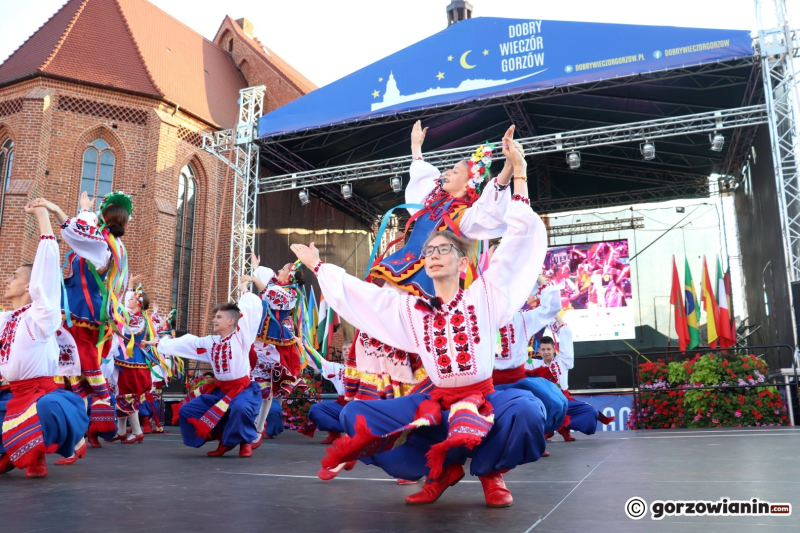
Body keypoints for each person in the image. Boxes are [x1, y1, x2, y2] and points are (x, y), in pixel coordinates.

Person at [290, 130, 549, 507]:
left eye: (444, 249)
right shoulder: (414, 309)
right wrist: (319, 267)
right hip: (429, 381)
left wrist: (516, 172)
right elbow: (367, 302)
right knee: (360, 412)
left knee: (526, 409)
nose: (433, 254)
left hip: (480, 399)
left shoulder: (483, 295)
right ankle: (439, 469)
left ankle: (491, 473)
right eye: (429, 250)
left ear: (462, 262)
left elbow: (517, 241)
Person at [31, 192, 131, 445]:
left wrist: (57, 207)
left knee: (80, 364)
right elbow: (81, 236)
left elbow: (79, 234)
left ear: (102, 217)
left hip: (83, 312)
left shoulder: (103, 245)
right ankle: (85, 429)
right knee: (72, 366)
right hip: (78, 310)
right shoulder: (107, 245)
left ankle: (89, 423)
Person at [0, 203, 90, 477]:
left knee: (48, 408)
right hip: (12, 395)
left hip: (42, 395)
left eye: (13, 276)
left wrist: (43, 216)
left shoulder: (40, 316)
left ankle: (47, 443)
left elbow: (48, 274)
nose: (7, 280)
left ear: (29, 285)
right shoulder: (5, 319)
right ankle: (31, 455)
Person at [146, 285, 262, 457]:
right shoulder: (210, 342)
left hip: (242, 390)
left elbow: (251, 311)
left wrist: (245, 292)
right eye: (215, 317)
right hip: (220, 391)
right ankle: (224, 437)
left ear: (231, 321)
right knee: (187, 411)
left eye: (219, 317)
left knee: (240, 408)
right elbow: (187, 343)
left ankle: (244, 442)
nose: (214, 320)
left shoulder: (241, 336)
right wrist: (159, 343)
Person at [239, 257, 304, 449]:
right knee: (253, 383)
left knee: (267, 389)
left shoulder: (291, 294)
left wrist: (250, 279)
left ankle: (258, 429)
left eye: (282, 268)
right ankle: (252, 426)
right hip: (259, 339)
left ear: (290, 275)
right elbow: (268, 282)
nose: (279, 270)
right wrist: (256, 267)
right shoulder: (279, 286)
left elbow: (268, 292)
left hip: (274, 344)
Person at [492, 277, 568, 441]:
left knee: (550, 404)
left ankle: (532, 439)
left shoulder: (522, 319)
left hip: (517, 381)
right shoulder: (479, 318)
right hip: (487, 385)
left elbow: (552, 307)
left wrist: (539, 278)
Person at [527, 318, 615, 441]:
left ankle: (563, 428)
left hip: (564, 399)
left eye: (548, 349)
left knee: (591, 412)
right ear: (538, 351)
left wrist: (555, 312)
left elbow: (566, 333)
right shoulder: (533, 364)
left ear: (554, 350)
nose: (546, 352)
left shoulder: (563, 361)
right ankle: (548, 429)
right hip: (545, 402)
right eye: (543, 349)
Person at [110, 277, 161, 444]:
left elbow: (122, 316)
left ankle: (138, 431)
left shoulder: (136, 318)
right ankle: (122, 431)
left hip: (130, 359)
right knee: (121, 393)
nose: (129, 300)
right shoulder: (135, 315)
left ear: (138, 303)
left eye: (132, 298)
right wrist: (130, 286)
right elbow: (124, 310)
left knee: (127, 394)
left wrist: (115, 301)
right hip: (126, 357)